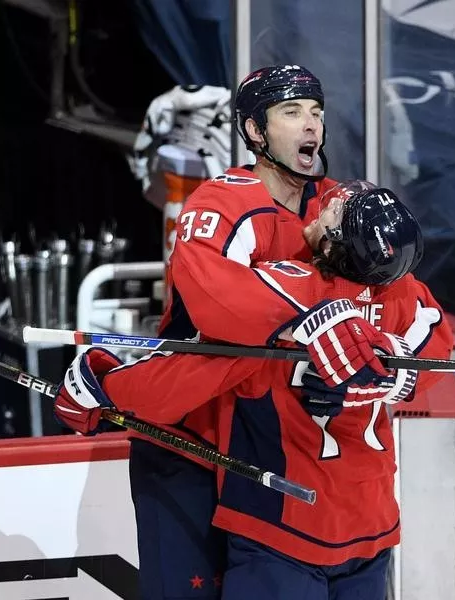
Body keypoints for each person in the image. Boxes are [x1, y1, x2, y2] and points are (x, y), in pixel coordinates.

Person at [67, 64, 408, 599]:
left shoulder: (335, 205)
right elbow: (222, 312)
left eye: (316, 112)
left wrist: (390, 365)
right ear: (255, 131)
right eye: (292, 112)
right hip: (189, 441)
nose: (311, 125)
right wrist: (324, 316)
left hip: (261, 453)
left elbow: (400, 303)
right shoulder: (221, 203)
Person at [55, 182, 454, 599]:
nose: (325, 203)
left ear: (338, 245)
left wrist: (104, 385)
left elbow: (191, 375)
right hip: (371, 526)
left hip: (282, 531)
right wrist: (386, 372)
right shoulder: (400, 296)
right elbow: (436, 344)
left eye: (337, 213)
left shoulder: (286, 288)